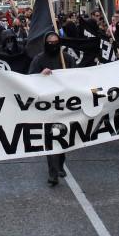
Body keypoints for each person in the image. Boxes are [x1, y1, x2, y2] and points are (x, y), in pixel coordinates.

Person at [29, 32, 75, 185]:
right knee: (50, 138)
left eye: (56, 42)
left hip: (65, 105)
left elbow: (77, 77)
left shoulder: (67, 58)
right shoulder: (39, 59)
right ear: (45, 43)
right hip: (47, 106)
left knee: (63, 137)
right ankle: (52, 172)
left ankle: (60, 163)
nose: (53, 44)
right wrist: (41, 75)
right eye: (50, 42)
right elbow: (30, 80)